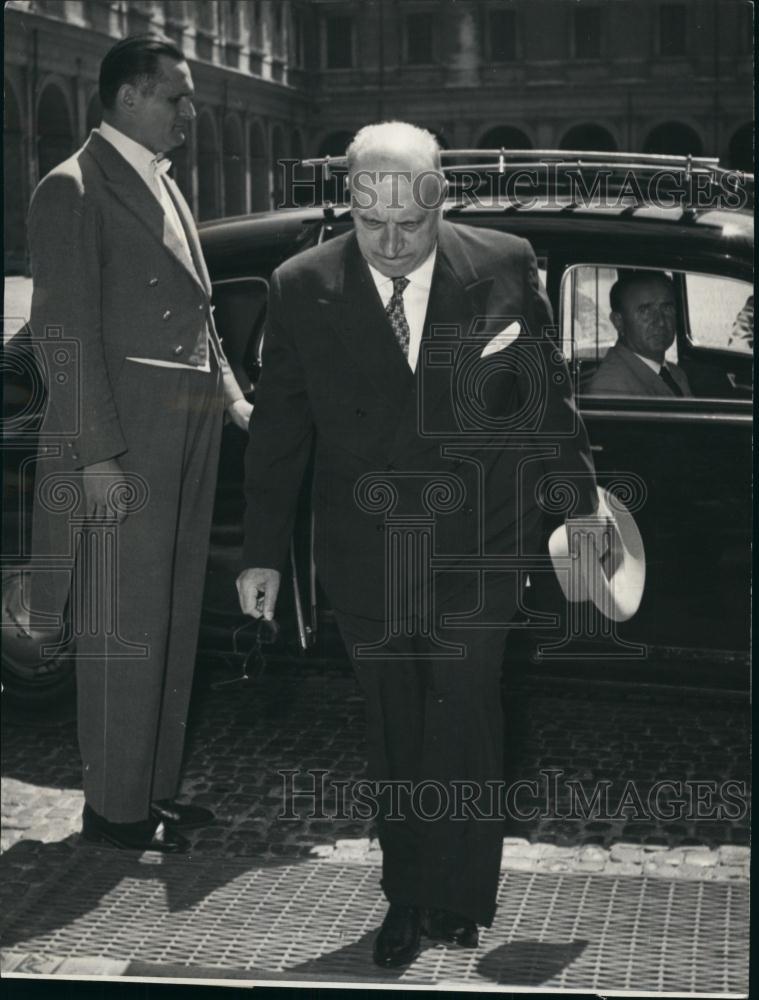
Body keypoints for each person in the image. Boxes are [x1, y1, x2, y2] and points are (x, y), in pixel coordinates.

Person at [237, 122, 605, 967]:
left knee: (467, 715)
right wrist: (261, 554)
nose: (395, 246)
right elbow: (281, 429)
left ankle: (460, 895)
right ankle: (407, 892)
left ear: (442, 199)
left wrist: (579, 509)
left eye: (413, 225)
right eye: (374, 227)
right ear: (349, 207)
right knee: (395, 723)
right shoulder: (301, 285)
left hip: (484, 536)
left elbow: (547, 400)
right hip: (370, 547)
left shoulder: (505, 263)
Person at [28, 35, 252, 853]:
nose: (190, 114)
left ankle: (150, 790)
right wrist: (92, 455)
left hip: (185, 428)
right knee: (126, 627)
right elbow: (61, 333)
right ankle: (115, 814)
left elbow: (200, 313)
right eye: (176, 99)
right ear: (127, 97)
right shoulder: (73, 188)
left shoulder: (162, 182)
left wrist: (232, 396)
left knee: (171, 619)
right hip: (123, 439)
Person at [586, 271, 692, 396]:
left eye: (667, 308)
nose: (661, 322)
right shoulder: (610, 386)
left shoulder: (675, 373)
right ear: (618, 322)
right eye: (645, 311)